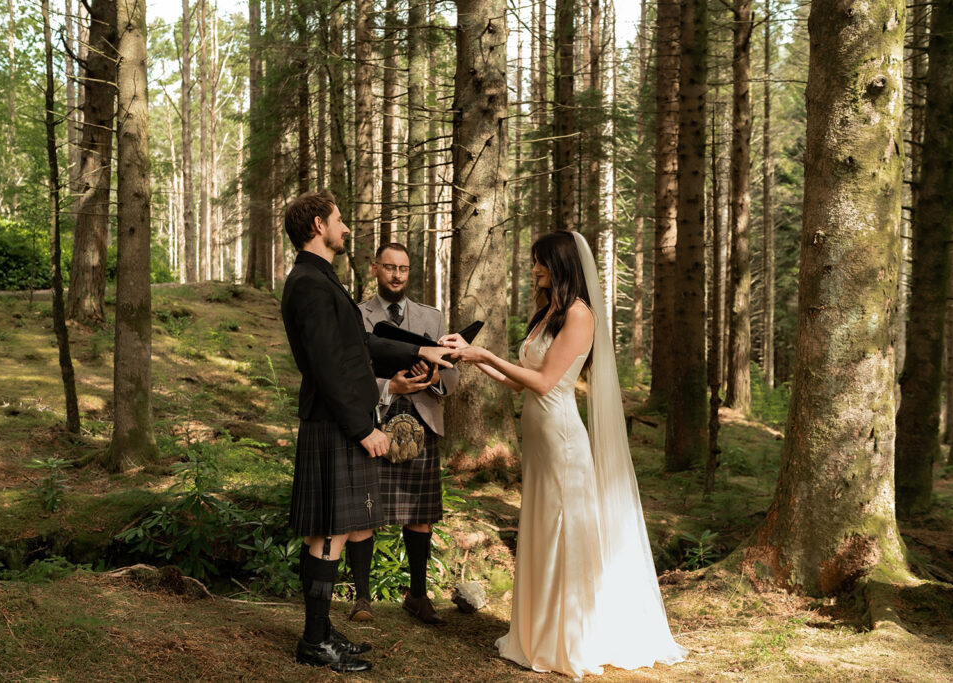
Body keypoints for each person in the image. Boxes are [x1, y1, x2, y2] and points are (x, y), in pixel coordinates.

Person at [440, 231, 687, 678]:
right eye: (534, 262)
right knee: (542, 524)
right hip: (537, 436)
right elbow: (520, 382)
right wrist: (473, 358)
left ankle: (570, 637)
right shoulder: (548, 312)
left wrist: (484, 353)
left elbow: (545, 383)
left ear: (562, 265)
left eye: (541, 262)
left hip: (561, 438)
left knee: (562, 529)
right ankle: (538, 630)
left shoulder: (579, 315)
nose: (534, 269)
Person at [280, 190, 454, 673]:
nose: (346, 228)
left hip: (337, 421)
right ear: (318, 224)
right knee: (331, 530)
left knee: (329, 530)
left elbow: (359, 344)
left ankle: (320, 632)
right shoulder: (310, 284)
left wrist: (423, 351)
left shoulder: (318, 278)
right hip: (336, 422)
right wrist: (363, 428)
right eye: (339, 220)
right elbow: (328, 366)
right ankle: (314, 642)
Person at [346, 242, 459, 625]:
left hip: (422, 419)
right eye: (390, 267)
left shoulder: (433, 318)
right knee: (364, 510)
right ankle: (362, 598)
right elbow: (348, 374)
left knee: (420, 512)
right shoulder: (355, 316)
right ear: (374, 268)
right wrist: (389, 386)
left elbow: (453, 377)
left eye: (404, 269)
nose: (397, 275)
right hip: (372, 422)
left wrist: (435, 377)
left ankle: (418, 595)